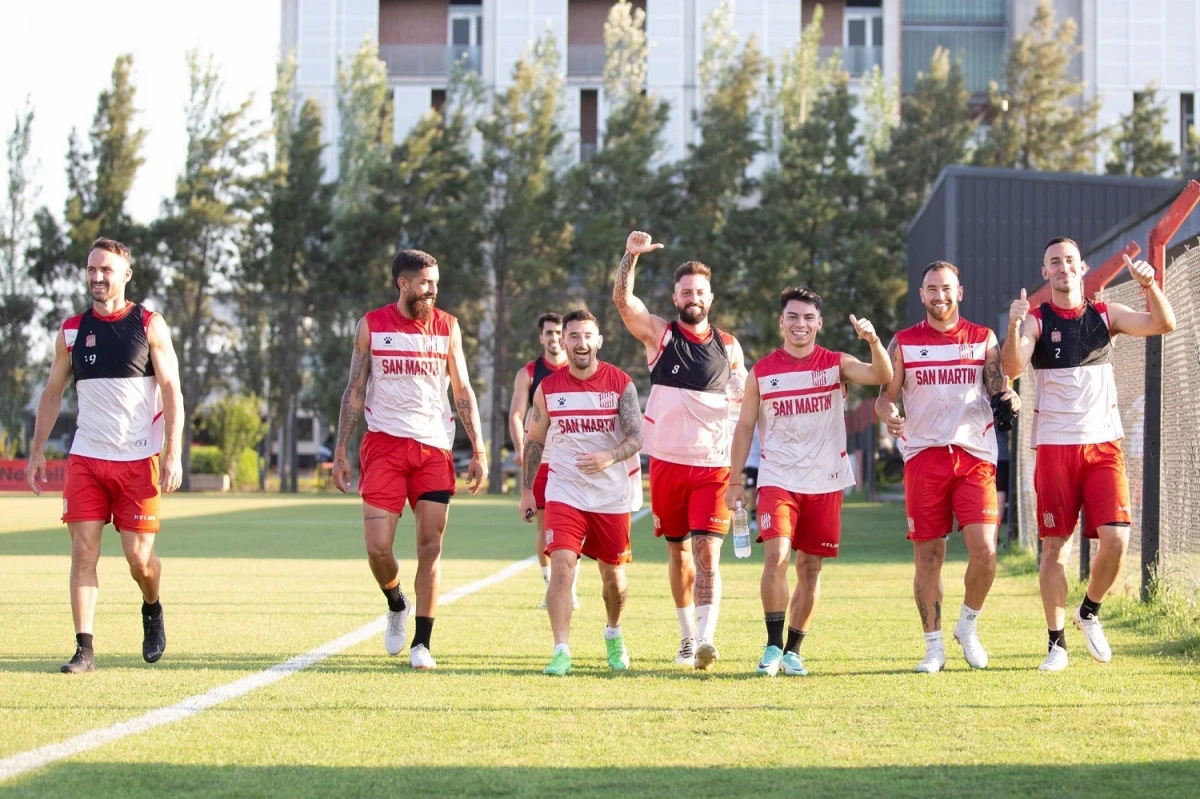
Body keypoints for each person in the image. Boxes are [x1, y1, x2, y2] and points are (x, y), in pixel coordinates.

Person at [1002, 240, 1175, 671]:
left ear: (1084, 268)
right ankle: (1056, 643)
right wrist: (1013, 326)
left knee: (1117, 540)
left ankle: (1089, 612)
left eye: (1069, 261)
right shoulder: (1037, 321)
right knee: (1054, 549)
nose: (1063, 268)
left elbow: (1163, 323)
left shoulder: (1104, 313)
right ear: (1045, 272)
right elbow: (1012, 367)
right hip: (1056, 449)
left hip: (1103, 446)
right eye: (1054, 262)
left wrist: (1150, 285)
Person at [27, 237, 184, 674]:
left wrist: (173, 451)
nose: (97, 276)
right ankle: (84, 648)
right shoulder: (72, 331)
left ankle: (152, 608)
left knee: (139, 560)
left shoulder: (150, 324)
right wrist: (37, 450)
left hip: (139, 462)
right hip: (87, 459)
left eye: (106, 270)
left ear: (125, 275)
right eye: (92, 269)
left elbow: (171, 390)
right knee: (83, 555)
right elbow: (52, 392)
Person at [332, 249, 488, 671]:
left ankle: (422, 643)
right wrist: (341, 449)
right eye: (425, 283)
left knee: (430, 547)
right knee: (378, 549)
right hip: (383, 446)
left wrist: (478, 448)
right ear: (403, 283)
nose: (433, 290)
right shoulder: (372, 325)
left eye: (436, 282)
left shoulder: (447, 328)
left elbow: (462, 390)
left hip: (434, 448)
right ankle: (396, 602)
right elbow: (355, 389)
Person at [727, 287, 892, 677]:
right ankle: (771, 646)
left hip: (825, 481)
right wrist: (735, 480)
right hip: (778, 479)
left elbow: (881, 375)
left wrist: (872, 340)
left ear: (818, 323)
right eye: (793, 317)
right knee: (777, 555)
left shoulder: (836, 363)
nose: (800, 324)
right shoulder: (762, 371)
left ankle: (793, 650)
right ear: (781, 322)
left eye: (808, 318)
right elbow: (745, 426)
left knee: (810, 568)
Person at [875, 261, 1020, 673]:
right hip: (923, 456)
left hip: (974, 455)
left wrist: (1011, 399)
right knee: (929, 557)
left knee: (986, 552)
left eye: (947, 288)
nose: (940, 296)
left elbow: (999, 386)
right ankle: (933, 647)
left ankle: (967, 626)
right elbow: (885, 397)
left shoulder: (982, 339)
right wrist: (889, 415)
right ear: (921, 295)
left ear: (960, 292)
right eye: (931, 289)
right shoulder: (903, 342)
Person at [613, 230, 746, 670]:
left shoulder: (728, 347)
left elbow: (748, 403)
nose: (694, 297)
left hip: (714, 467)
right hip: (668, 464)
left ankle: (707, 638)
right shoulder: (660, 336)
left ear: (711, 298)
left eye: (701, 292)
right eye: (686, 291)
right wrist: (630, 257)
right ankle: (687, 637)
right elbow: (623, 303)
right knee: (679, 553)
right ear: (675, 296)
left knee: (708, 552)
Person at [519, 310, 643, 676]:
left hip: (610, 496)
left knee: (614, 580)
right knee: (561, 567)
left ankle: (613, 633)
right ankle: (561, 650)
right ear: (565, 341)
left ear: (599, 340)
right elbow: (534, 441)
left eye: (588, 335)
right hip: (565, 491)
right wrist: (527, 490)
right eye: (573, 336)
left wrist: (610, 455)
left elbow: (636, 436)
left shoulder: (620, 383)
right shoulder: (549, 388)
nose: (581, 343)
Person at [509, 312, 578, 609]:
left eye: (558, 332)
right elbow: (515, 414)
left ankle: (569, 585)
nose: (553, 338)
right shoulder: (528, 373)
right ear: (541, 337)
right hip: (541, 459)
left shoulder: (578, 369)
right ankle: (551, 584)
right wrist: (519, 448)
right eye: (548, 333)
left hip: (570, 459)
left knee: (574, 525)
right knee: (543, 526)